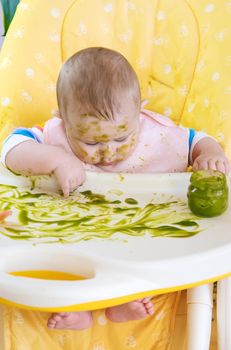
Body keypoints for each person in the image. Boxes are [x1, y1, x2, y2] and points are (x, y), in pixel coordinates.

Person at [1, 47, 230, 330]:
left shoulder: (157, 133)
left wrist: (208, 154)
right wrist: (57, 159)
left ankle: (120, 303)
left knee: (162, 261)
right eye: (92, 143)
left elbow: (198, 140)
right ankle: (78, 308)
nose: (108, 151)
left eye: (122, 137)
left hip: (140, 232)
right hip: (78, 230)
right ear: (64, 119)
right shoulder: (55, 136)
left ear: (140, 111)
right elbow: (11, 148)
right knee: (54, 262)